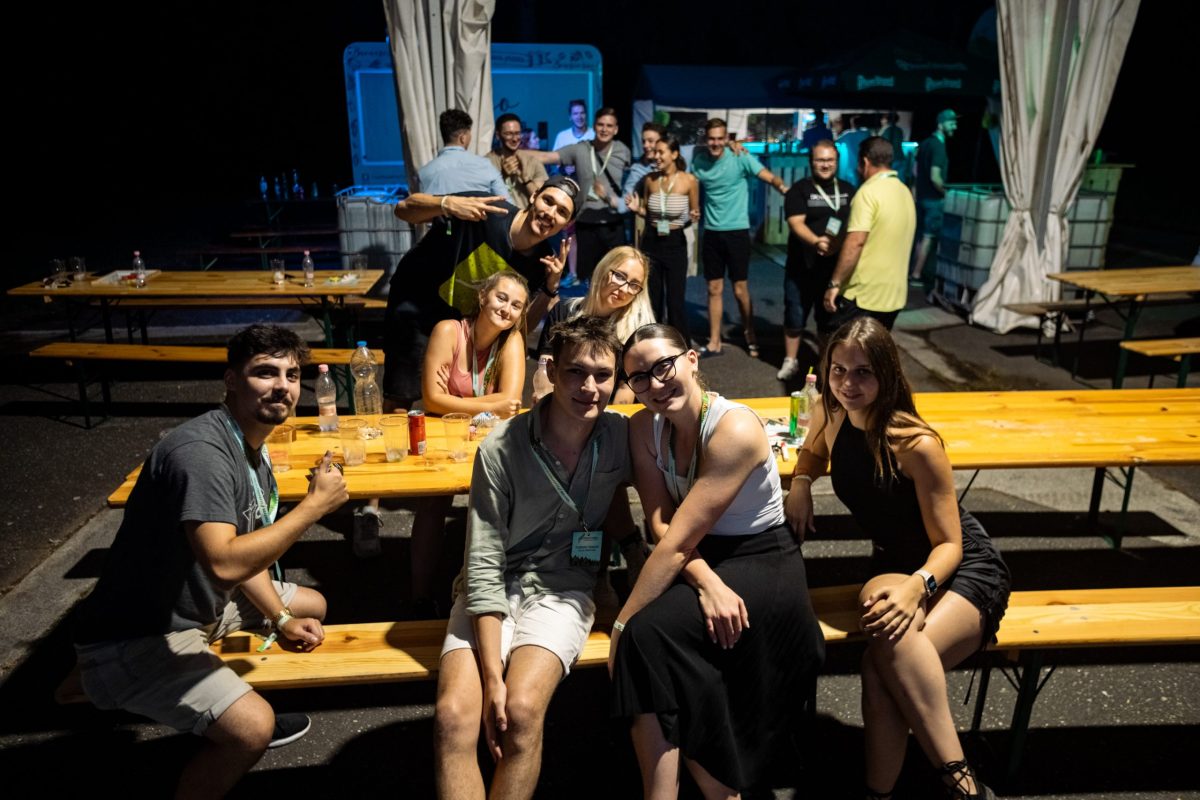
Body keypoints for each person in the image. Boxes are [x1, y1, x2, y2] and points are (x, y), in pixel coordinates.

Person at [71, 325, 349, 798]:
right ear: (231, 380)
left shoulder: (249, 443)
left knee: (311, 606)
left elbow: (242, 554)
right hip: (143, 631)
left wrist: (281, 618)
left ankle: (145, 688)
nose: (282, 386)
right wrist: (313, 508)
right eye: (265, 372)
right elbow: (224, 564)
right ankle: (105, 676)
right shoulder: (201, 453)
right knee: (253, 729)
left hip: (199, 604)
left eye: (291, 374)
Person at [785, 317, 1010, 800]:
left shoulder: (915, 443)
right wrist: (801, 483)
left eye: (863, 372)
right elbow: (812, 453)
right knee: (883, 641)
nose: (847, 383)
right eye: (838, 370)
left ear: (887, 374)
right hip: (893, 561)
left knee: (879, 660)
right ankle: (933, 788)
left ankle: (957, 784)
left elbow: (950, 545)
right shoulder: (831, 410)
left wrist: (917, 586)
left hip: (959, 567)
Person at [610, 323, 825, 799]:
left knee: (642, 636)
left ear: (691, 360)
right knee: (650, 642)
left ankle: (717, 788)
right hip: (700, 554)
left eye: (663, 366)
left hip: (762, 557)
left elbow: (674, 542)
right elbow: (662, 524)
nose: (654, 384)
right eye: (639, 377)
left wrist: (621, 624)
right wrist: (706, 581)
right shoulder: (643, 427)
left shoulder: (735, 429)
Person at [433, 316, 631, 800]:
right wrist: (491, 678)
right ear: (551, 371)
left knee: (520, 712)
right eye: (575, 372)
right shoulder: (500, 447)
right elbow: (482, 564)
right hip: (494, 584)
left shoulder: (621, 437)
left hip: (565, 585)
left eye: (603, 375)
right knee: (453, 717)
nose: (589, 387)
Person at [383, 174, 582, 410]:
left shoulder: (543, 261)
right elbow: (403, 209)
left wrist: (550, 287)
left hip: (465, 333)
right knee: (400, 401)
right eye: (547, 201)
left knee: (454, 406)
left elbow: (520, 325)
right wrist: (446, 203)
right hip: (417, 310)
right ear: (533, 196)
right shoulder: (487, 210)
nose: (551, 213)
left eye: (562, 212)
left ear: (567, 224)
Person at [411, 271, 531, 617]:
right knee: (433, 502)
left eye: (516, 305)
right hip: (443, 435)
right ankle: (419, 597)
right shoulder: (448, 331)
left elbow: (511, 403)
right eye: (501, 298)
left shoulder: (511, 341)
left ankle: (496, 590)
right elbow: (431, 400)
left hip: (487, 438)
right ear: (482, 297)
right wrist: (491, 404)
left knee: (503, 502)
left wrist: (457, 403)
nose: (506, 309)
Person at [690, 117, 788, 358]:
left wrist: (787, 190)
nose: (715, 143)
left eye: (719, 138)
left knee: (740, 289)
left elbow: (769, 177)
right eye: (711, 139)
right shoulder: (699, 162)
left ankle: (749, 332)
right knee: (713, 288)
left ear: (726, 138)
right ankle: (714, 342)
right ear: (705, 139)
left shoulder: (740, 157)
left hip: (737, 232)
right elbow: (683, 177)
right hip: (712, 232)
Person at [537, 245, 656, 404]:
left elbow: (625, 389)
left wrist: (610, 418)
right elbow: (545, 364)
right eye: (620, 276)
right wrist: (546, 402)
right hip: (562, 405)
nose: (624, 289)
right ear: (603, 270)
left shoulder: (635, 332)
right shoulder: (564, 311)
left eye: (634, 285)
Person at [778, 140, 857, 380]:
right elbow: (796, 223)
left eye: (830, 160)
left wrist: (839, 245)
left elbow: (856, 226)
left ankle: (826, 365)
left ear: (837, 162)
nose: (825, 164)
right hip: (801, 267)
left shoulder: (849, 190)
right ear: (811, 162)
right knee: (794, 315)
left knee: (829, 321)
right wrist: (816, 241)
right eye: (820, 160)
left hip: (834, 270)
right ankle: (790, 361)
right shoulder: (799, 190)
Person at [823, 137, 916, 332]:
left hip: (863, 295)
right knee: (874, 348)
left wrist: (834, 283)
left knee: (841, 345)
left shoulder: (868, 193)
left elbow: (856, 242)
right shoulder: (904, 192)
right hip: (894, 296)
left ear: (865, 162)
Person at [537, 108, 632, 284]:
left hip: (613, 224)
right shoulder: (580, 149)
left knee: (615, 274)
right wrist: (517, 154)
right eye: (600, 125)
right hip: (586, 223)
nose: (604, 129)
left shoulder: (623, 151)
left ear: (616, 129)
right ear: (594, 126)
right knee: (588, 278)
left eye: (609, 126)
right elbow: (548, 156)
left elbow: (631, 182)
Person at [627, 135, 699, 346]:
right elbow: (647, 212)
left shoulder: (689, 180)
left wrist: (694, 216)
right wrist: (637, 209)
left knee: (675, 302)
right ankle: (654, 346)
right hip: (652, 242)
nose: (656, 156)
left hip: (676, 242)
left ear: (674, 154)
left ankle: (681, 348)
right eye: (655, 152)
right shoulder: (650, 180)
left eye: (661, 152)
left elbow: (694, 212)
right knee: (653, 299)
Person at [911, 109, 958, 287]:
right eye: (951, 123)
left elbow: (915, 170)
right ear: (941, 124)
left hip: (922, 198)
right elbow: (935, 177)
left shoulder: (925, 143)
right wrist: (947, 194)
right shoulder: (938, 146)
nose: (955, 126)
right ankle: (917, 274)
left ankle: (913, 272)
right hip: (933, 200)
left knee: (921, 237)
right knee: (929, 237)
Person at [419, 109, 508, 196]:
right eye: (469, 134)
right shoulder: (485, 165)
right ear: (463, 138)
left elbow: (417, 203)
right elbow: (505, 201)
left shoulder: (423, 173)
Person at [487, 112, 548, 210]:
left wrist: (526, 179)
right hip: (499, 217)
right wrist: (502, 175)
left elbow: (542, 200)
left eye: (517, 133)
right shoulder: (487, 162)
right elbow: (484, 195)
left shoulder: (532, 162)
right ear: (498, 135)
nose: (515, 139)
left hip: (526, 217)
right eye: (509, 134)